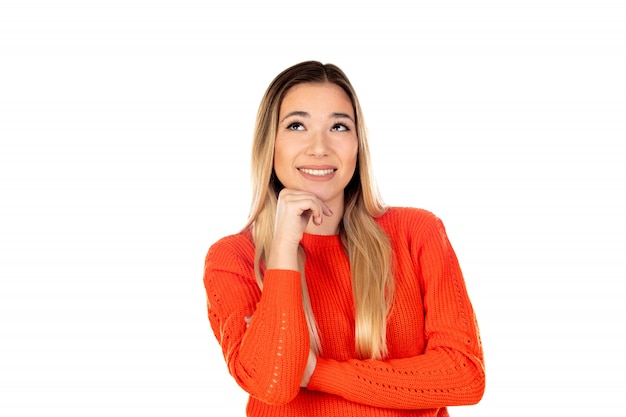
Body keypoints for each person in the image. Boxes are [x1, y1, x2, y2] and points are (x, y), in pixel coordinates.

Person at [203, 60, 485, 416]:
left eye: (338, 126)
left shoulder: (418, 232)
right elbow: (272, 383)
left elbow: (464, 376)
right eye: (296, 126)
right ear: (269, 144)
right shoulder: (232, 259)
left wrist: (317, 372)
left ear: (357, 144)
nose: (319, 147)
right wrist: (284, 248)